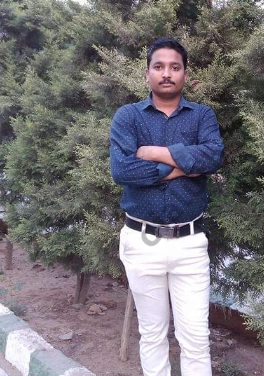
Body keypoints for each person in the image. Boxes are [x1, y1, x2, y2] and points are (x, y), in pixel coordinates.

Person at [109, 37, 224, 376]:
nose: (167, 73)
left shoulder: (202, 116)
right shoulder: (128, 117)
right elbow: (123, 170)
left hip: (190, 245)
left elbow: (212, 157)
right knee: (152, 334)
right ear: (147, 74)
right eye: (158, 66)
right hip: (141, 242)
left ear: (185, 74)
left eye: (175, 67)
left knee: (196, 338)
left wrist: (155, 153)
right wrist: (185, 165)